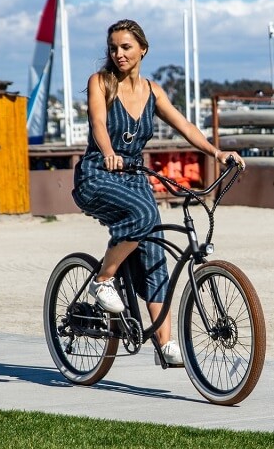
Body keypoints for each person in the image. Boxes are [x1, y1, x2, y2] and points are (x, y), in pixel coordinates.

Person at [72, 19, 244, 366]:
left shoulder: (153, 91)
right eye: (114, 48)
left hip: (134, 176)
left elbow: (184, 126)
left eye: (126, 47)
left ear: (142, 50)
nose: (118, 54)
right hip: (98, 174)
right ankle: (103, 280)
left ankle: (164, 345)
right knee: (145, 216)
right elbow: (99, 125)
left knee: (153, 251)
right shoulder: (101, 83)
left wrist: (216, 152)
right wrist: (107, 152)